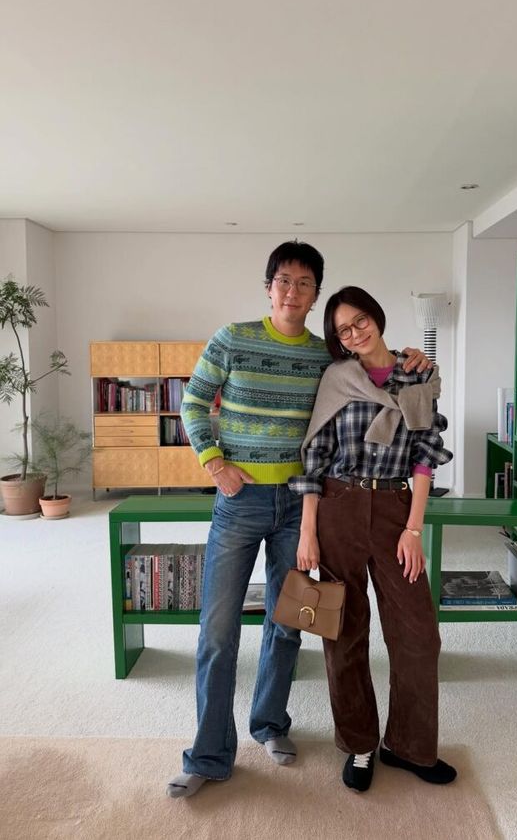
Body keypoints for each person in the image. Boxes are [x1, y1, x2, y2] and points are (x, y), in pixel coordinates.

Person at [166, 243, 430, 798]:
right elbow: (193, 402)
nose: (293, 291)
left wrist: (417, 359)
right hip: (240, 502)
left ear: (315, 296)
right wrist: (214, 463)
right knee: (218, 631)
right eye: (284, 281)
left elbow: (377, 377)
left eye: (305, 284)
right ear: (269, 288)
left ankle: (269, 724)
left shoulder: (325, 359)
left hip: (301, 504)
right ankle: (209, 754)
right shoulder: (233, 338)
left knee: (289, 621)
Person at [290, 285, 457, 793]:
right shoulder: (337, 379)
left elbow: (426, 453)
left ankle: (407, 746)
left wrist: (413, 528)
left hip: (394, 509)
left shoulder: (418, 374)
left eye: (360, 320)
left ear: (376, 317)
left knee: (418, 634)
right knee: (343, 631)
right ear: (338, 340)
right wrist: (308, 532)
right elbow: (316, 457)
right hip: (338, 507)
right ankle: (359, 744)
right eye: (344, 330)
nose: (355, 332)